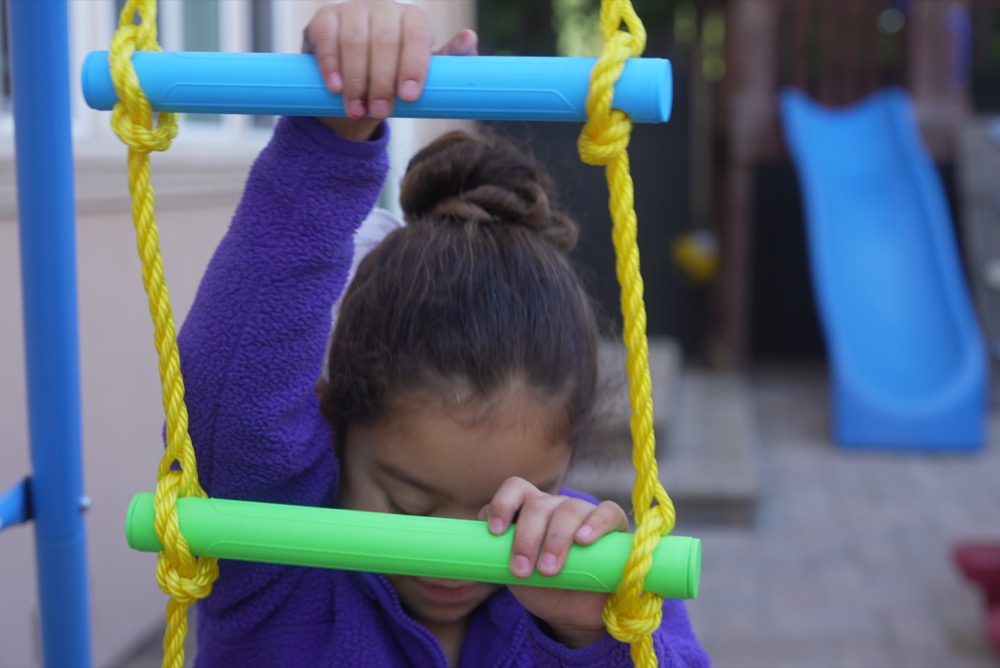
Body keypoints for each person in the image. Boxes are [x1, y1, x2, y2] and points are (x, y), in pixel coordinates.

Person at [177, 1, 709, 666]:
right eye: (408, 506)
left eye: (503, 511)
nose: (452, 562)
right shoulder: (278, 553)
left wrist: (597, 636)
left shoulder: (585, 566)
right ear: (333, 421)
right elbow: (230, 388)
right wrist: (330, 139)